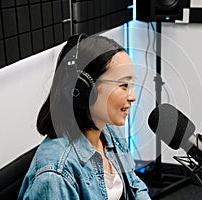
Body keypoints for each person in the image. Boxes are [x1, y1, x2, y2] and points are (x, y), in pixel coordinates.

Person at [18, 33, 151, 200]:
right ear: (84, 90)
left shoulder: (106, 130)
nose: (132, 96)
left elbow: (134, 184)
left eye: (131, 85)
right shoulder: (55, 174)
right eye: (123, 85)